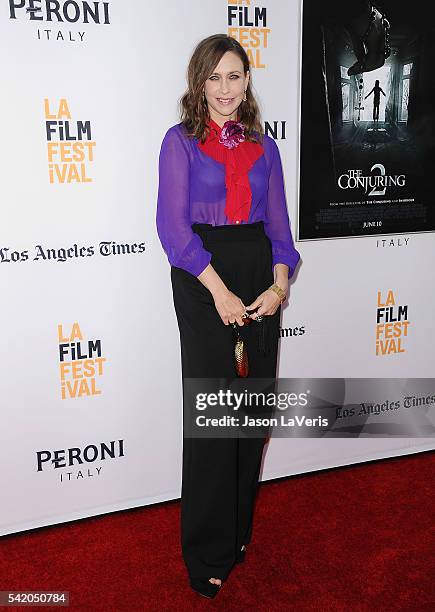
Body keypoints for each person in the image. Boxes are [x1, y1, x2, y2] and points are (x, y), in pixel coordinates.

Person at [155, 33, 300, 599]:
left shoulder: (267, 147)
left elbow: (281, 231)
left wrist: (280, 283)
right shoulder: (180, 142)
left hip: (258, 275)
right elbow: (173, 230)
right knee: (216, 418)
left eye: (234, 76)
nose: (224, 88)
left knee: (252, 413)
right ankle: (207, 549)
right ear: (199, 82)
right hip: (201, 277)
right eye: (213, 77)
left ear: (247, 81)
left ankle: (238, 532)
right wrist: (216, 289)